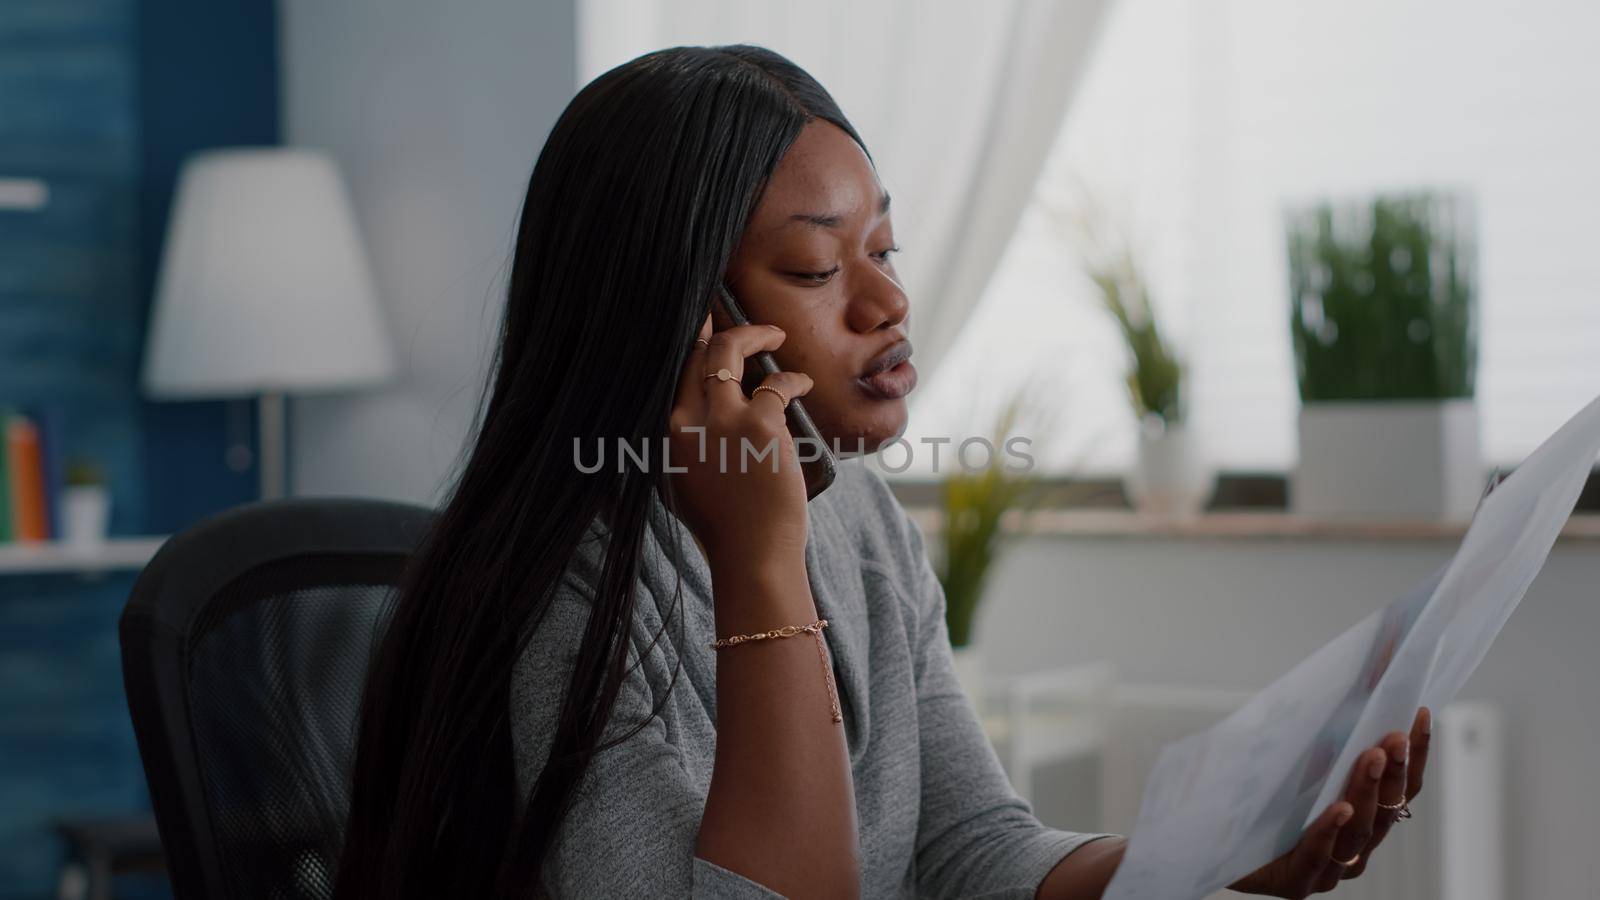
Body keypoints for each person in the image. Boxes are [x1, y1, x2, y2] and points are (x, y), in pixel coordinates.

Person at [333, 44, 1430, 899]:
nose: (887, 303)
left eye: (885, 250)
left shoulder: (854, 516)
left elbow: (968, 846)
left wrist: (1211, 861)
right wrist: (760, 563)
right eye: (817, 265)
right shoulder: (566, 601)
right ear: (688, 318)